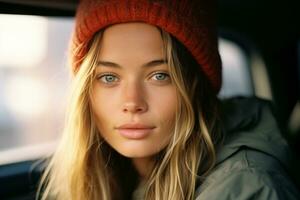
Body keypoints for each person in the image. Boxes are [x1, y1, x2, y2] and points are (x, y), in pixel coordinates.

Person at [37, 0, 300, 199]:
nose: (132, 102)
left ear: (196, 86)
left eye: (160, 75)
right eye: (108, 78)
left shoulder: (244, 187)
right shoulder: (120, 173)